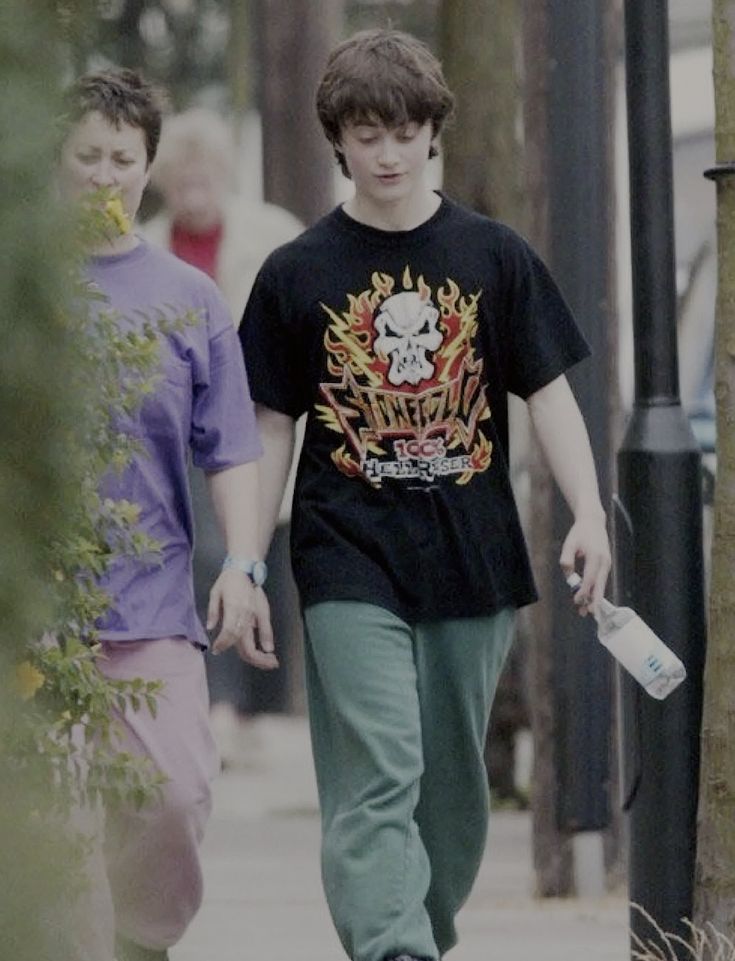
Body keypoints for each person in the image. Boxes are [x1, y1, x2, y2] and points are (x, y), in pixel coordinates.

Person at [239, 28, 611, 961]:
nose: (388, 152)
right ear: (338, 141)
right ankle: (393, 948)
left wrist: (590, 513)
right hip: (344, 551)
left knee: (451, 792)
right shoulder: (297, 273)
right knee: (378, 771)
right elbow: (272, 423)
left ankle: (416, 935)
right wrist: (246, 559)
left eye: (403, 131)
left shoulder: (493, 255)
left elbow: (549, 392)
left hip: (470, 555)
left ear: (433, 131)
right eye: (367, 134)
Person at [57, 69, 276, 961]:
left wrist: (243, 564)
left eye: (123, 157)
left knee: (175, 795)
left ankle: (143, 941)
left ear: (146, 168)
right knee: (60, 827)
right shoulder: (23, 288)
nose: (104, 174)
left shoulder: (188, 300)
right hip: (40, 616)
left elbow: (230, 448)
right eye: (87, 156)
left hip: (151, 605)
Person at [142, 108, 304, 765]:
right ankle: (220, 706)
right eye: (183, 176)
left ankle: (253, 705)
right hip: (178, 432)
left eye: (205, 174)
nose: (194, 188)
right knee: (208, 558)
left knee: (259, 556)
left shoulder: (271, 233)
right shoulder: (145, 242)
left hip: (256, 421)